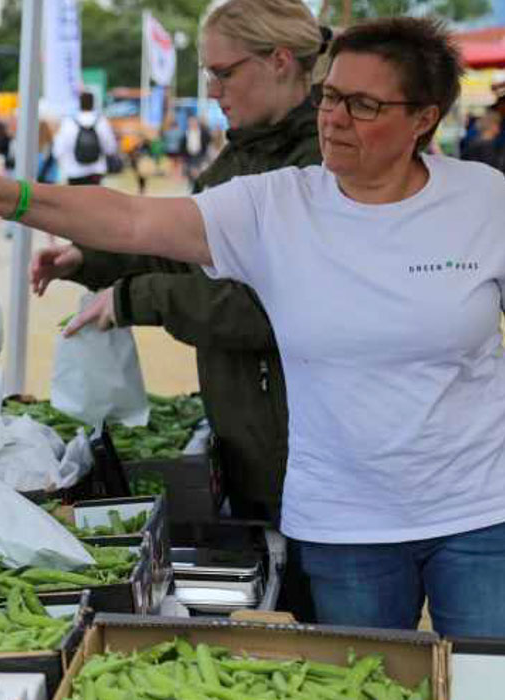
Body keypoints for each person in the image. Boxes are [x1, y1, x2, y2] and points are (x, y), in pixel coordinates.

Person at [0, 17, 505, 639]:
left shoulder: (483, 199)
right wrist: (11, 197)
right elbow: (135, 221)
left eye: (363, 105)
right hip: (346, 521)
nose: (333, 117)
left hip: (486, 508)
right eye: (331, 95)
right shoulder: (276, 204)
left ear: (424, 118)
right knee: (369, 683)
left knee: (487, 679)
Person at [32, 0, 326, 620]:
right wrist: (89, 261)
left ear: (278, 62)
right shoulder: (238, 158)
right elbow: (180, 251)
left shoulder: (319, 161)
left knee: (322, 636)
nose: (213, 90)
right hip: (257, 443)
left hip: (316, 454)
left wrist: (133, 298)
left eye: (224, 73)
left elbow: (265, 308)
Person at [53, 91, 117, 185]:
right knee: (94, 198)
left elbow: (58, 149)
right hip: (96, 170)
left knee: (74, 198)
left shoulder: (69, 122)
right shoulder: (101, 121)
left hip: (73, 171)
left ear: (79, 103)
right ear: (93, 103)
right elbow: (110, 147)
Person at [179, 113, 214, 186]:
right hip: (189, 156)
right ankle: (192, 188)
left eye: (193, 121)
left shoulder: (203, 132)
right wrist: (183, 158)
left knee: (200, 173)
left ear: (197, 122)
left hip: (201, 155)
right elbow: (182, 146)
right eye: (190, 122)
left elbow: (209, 141)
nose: (192, 123)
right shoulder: (185, 133)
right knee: (191, 175)